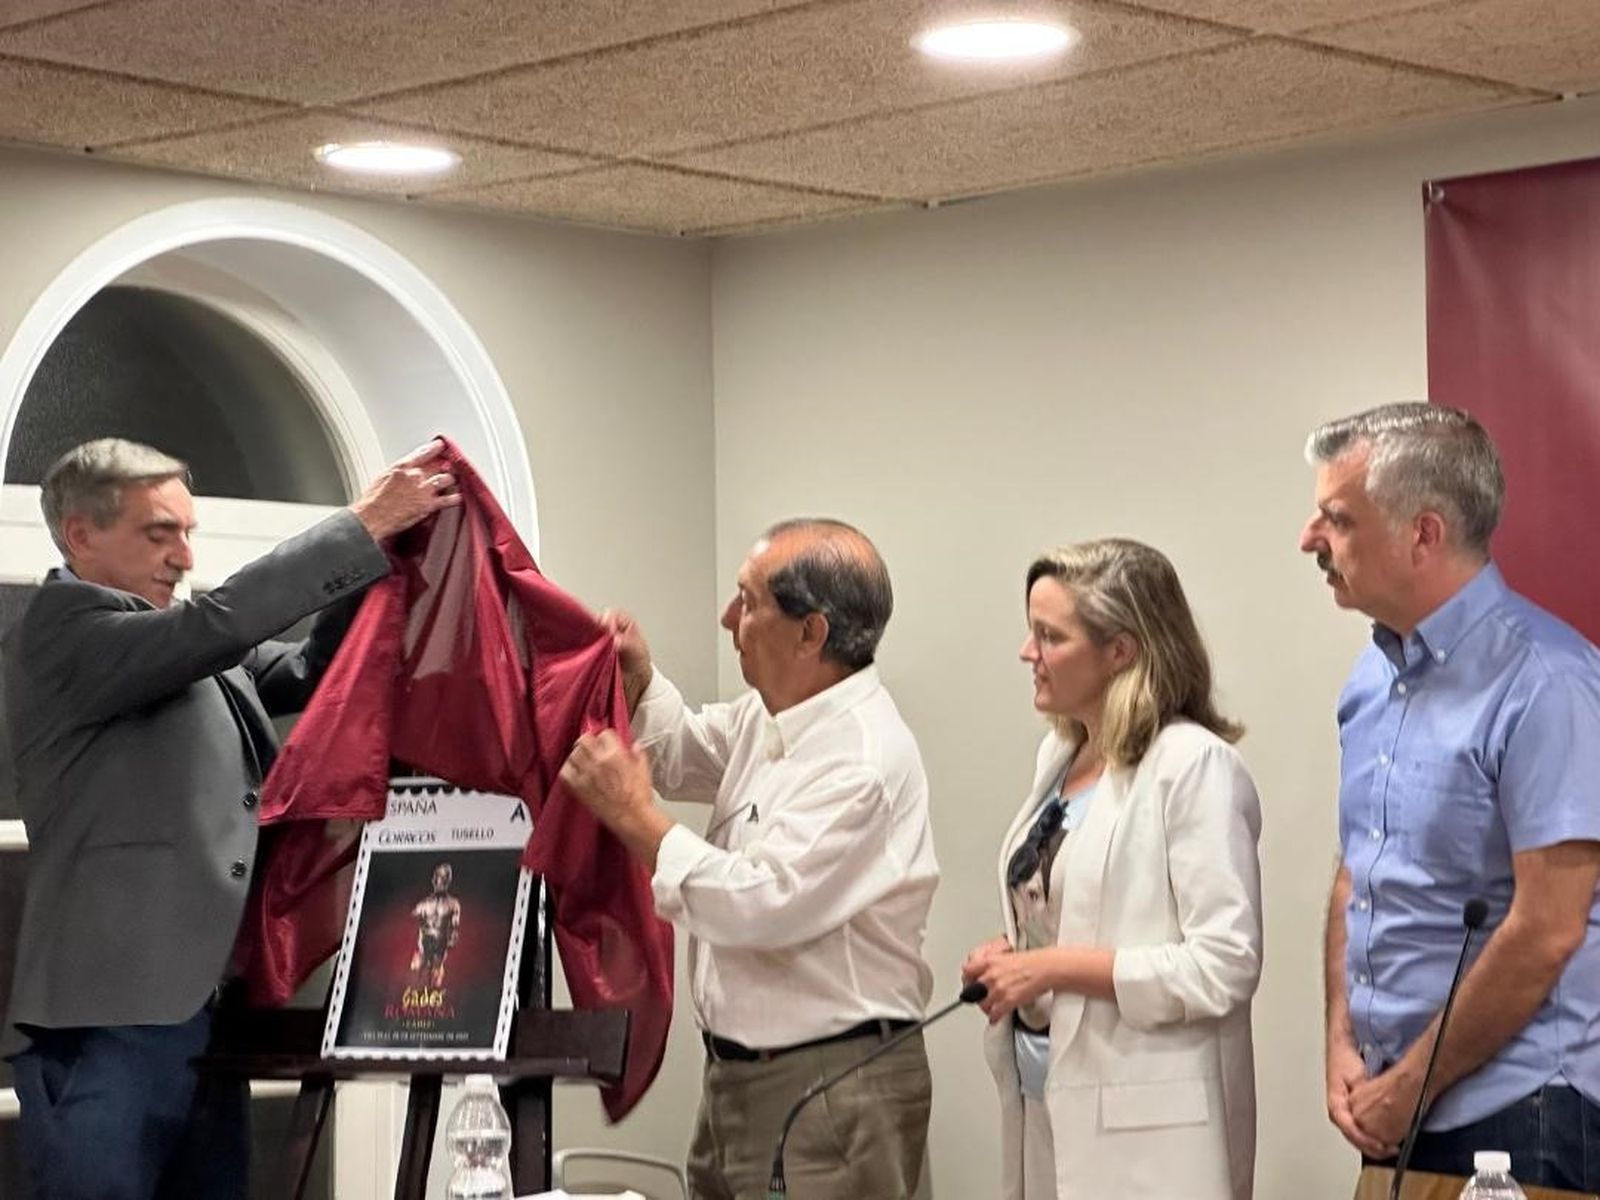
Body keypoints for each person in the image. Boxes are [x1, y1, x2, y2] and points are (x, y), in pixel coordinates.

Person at [2, 435, 459, 1200]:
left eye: (188, 533)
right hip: (106, 1022)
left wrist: (380, 556)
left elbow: (312, 671)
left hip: (206, 1013)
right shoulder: (62, 630)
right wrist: (357, 526)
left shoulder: (185, 645)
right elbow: (215, 626)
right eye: (160, 533)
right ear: (80, 534)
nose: (184, 557)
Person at [559, 518, 939, 1200]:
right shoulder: (772, 715)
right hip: (738, 1078)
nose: (728, 618)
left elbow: (758, 904)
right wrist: (639, 681)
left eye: (748, 600)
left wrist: (635, 817)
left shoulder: (861, 760)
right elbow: (684, 751)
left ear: (810, 632)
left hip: (827, 1085)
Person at [1303, 403, 1600, 1188]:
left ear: (1423, 535)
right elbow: (1358, 873)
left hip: (1520, 1115)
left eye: (1338, 519)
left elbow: (1547, 929)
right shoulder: (1373, 679)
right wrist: (1342, 1042)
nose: (1310, 539)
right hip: (1390, 1108)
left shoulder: (1547, 683)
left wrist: (1412, 1085)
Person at [961, 538, 1262, 1200]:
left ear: (1120, 650)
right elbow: (1081, 913)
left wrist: (1053, 967)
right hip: (1045, 1093)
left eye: (1050, 636)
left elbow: (1225, 964)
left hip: (1147, 1129)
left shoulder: (1193, 766)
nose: (1028, 652)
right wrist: (1015, 956)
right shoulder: (1059, 758)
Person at [410, 862, 462, 988]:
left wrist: (451, 940)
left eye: (444, 878)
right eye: (438, 877)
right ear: (434, 879)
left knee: (436, 982)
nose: (440, 881)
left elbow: (454, 930)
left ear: (448, 881)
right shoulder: (424, 904)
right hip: (423, 946)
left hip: (440, 947)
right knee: (415, 977)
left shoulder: (453, 904)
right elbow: (411, 917)